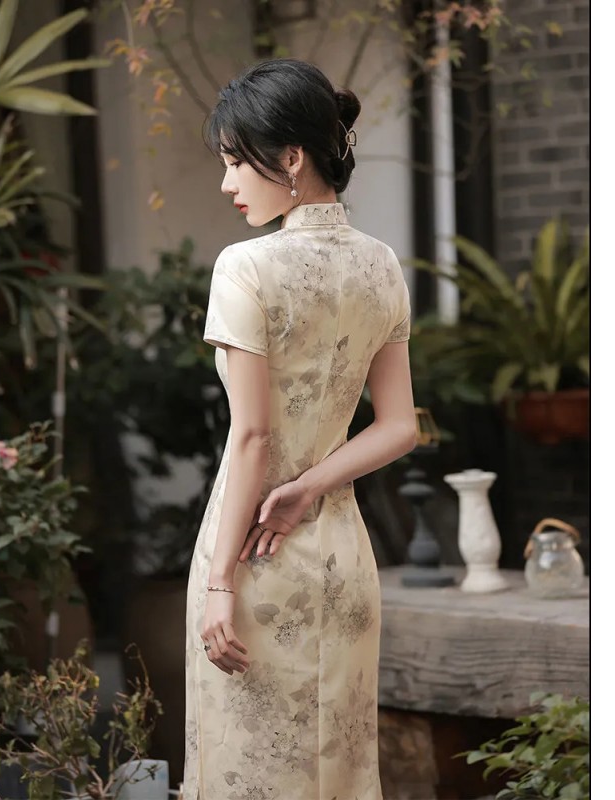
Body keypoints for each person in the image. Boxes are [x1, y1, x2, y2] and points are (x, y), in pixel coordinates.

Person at [184, 58, 416, 800]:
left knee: (248, 776)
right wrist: (310, 488)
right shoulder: (382, 265)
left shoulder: (244, 268)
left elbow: (252, 437)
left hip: (252, 557)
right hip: (342, 556)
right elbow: (400, 427)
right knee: (337, 777)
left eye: (235, 161)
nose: (227, 182)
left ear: (290, 158)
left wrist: (220, 582)